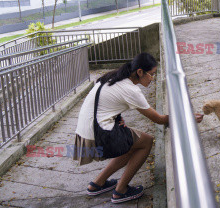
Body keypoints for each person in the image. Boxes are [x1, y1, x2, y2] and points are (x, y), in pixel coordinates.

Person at [73, 52, 203, 204]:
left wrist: (117, 118)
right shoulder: (132, 90)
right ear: (140, 72)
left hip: (84, 133)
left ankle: (97, 184)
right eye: (151, 74)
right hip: (98, 136)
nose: (153, 79)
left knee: (133, 140)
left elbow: (104, 103)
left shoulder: (112, 77)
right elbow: (159, 119)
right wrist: (186, 116)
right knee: (146, 141)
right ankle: (120, 191)